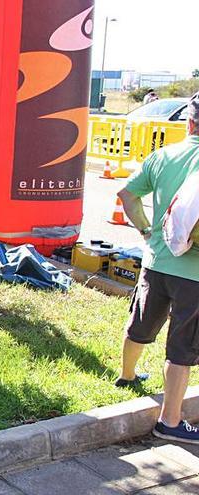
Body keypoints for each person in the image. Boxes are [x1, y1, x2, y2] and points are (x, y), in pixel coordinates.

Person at [116, 93, 199, 444]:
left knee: (141, 323)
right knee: (182, 347)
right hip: (194, 274)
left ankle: (127, 375)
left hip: (157, 261)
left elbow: (127, 194)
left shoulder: (164, 155)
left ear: (188, 122)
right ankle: (170, 421)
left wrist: (147, 230)